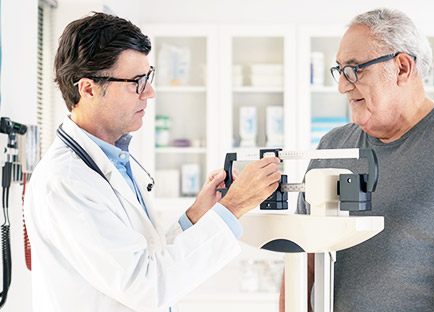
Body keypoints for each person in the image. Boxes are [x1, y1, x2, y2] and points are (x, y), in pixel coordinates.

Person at [25, 12, 281, 312]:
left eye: (149, 77)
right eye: (136, 82)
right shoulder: (65, 182)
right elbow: (146, 286)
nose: (150, 92)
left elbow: (146, 257)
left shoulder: (115, 160)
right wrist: (233, 206)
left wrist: (196, 217)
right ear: (88, 89)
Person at [280, 8, 434, 312]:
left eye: (355, 69)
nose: (342, 85)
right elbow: (302, 262)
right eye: (339, 70)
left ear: (402, 68)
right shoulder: (333, 146)